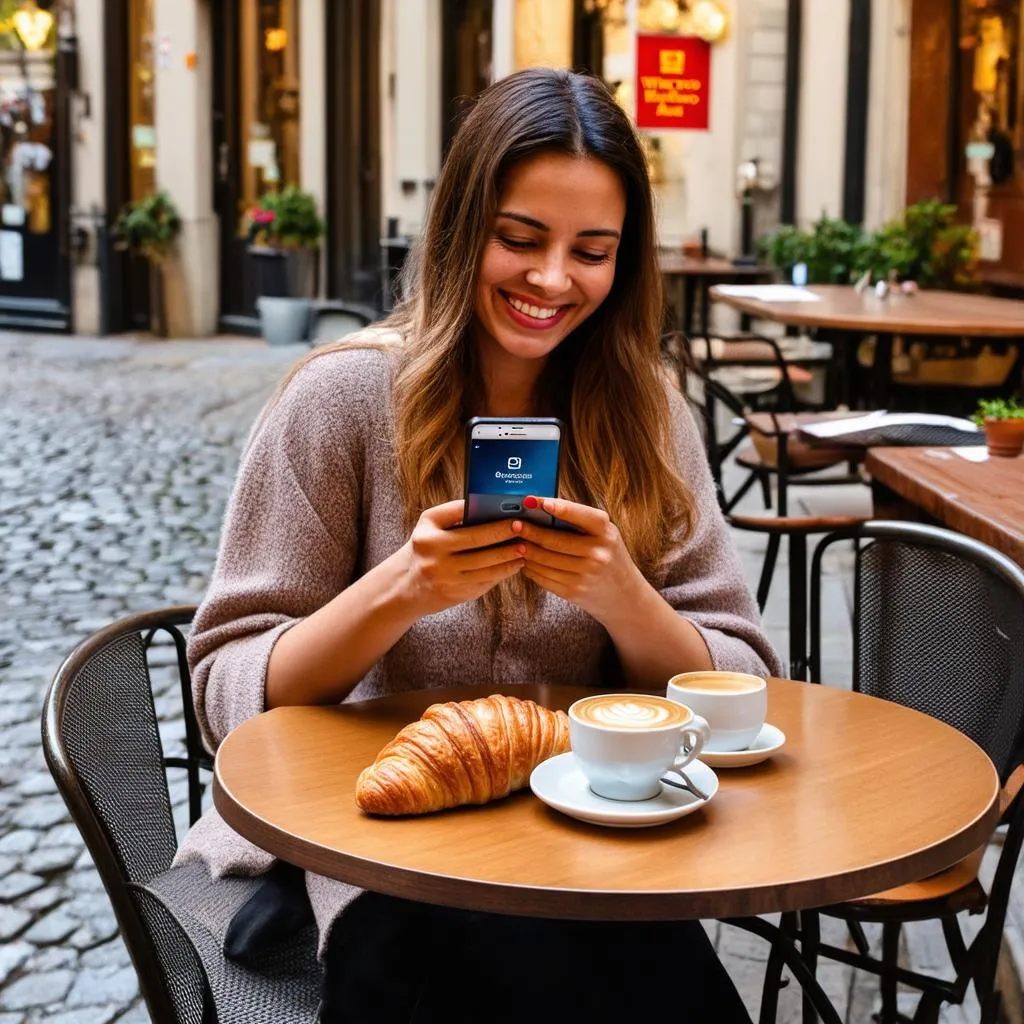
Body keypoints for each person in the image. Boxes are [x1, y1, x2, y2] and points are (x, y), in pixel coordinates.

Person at [174, 67, 782, 1022]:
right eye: (520, 239)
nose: (552, 280)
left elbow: (741, 672)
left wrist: (623, 595)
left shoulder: (648, 417)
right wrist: (402, 589)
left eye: (593, 250)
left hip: (593, 843)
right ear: (463, 229)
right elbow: (224, 694)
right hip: (375, 850)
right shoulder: (342, 401)